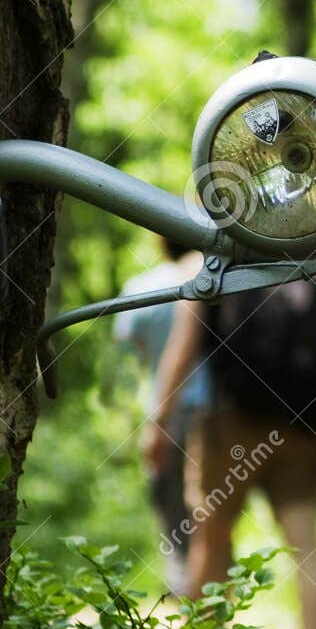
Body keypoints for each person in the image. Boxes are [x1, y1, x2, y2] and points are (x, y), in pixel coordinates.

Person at [143, 279, 316, 629]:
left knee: (211, 534)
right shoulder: (314, 266)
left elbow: (182, 349)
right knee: (304, 539)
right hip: (304, 425)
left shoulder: (219, 269)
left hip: (232, 422)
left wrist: (158, 423)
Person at [114, 238, 206, 597]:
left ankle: (183, 583)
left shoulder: (138, 289)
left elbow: (134, 352)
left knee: (170, 501)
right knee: (209, 503)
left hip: (162, 410)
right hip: (211, 407)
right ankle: (211, 590)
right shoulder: (216, 280)